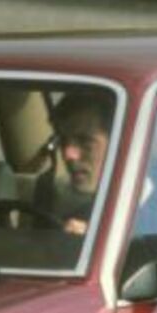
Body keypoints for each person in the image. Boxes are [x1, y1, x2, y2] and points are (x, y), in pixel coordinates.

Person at [38, 91, 112, 236]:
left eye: (85, 141)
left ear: (120, 142)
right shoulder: (67, 206)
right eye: (63, 141)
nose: (68, 154)